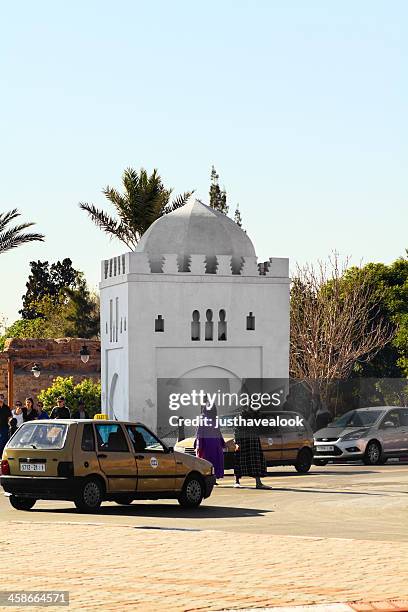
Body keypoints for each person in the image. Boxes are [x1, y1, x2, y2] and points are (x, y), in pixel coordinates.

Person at [233, 407, 270, 489]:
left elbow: (261, 427)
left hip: (254, 440)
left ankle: (258, 482)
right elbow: (236, 430)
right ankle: (237, 481)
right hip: (243, 441)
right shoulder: (242, 416)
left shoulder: (256, 416)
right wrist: (237, 443)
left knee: (256, 461)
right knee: (239, 460)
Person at [194, 399, 225, 482]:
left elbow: (199, 433)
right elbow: (218, 432)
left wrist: (198, 446)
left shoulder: (202, 418)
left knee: (206, 462)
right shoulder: (215, 419)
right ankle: (214, 478)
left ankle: (208, 479)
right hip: (216, 444)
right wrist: (222, 443)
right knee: (215, 461)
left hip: (206, 445)